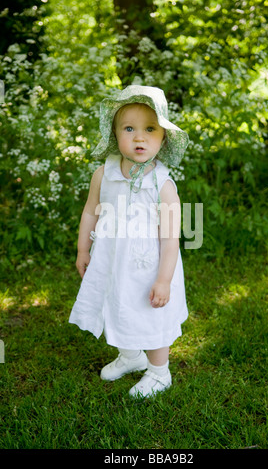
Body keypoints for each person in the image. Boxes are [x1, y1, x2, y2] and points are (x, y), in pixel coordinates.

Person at [69, 85, 189, 398]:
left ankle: (159, 371)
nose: (139, 137)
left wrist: (164, 280)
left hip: (150, 265)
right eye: (129, 128)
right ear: (115, 134)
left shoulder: (162, 185)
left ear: (163, 137)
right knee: (116, 303)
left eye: (150, 129)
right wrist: (84, 249)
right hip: (112, 259)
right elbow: (90, 213)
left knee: (151, 313)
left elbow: (170, 237)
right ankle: (131, 356)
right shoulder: (103, 173)